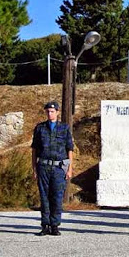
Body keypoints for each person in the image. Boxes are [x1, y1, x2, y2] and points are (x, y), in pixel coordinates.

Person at [31, 101, 74, 236]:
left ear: (57, 112)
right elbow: (34, 150)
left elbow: (70, 149)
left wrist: (70, 168)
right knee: (44, 197)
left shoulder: (64, 128)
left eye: (52, 111)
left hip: (58, 168)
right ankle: (45, 225)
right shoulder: (40, 128)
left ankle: (55, 225)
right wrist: (34, 169)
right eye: (48, 111)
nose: (50, 113)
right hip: (43, 166)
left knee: (57, 196)